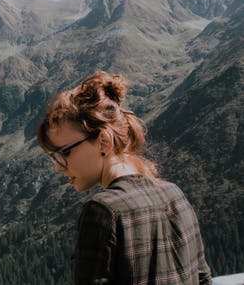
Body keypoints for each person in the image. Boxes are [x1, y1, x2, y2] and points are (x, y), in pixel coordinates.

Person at [37, 71, 211, 285]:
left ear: (103, 141)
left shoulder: (102, 211)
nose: (57, 167)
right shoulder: (174, 193)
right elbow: (203, 278)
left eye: (63, 153)